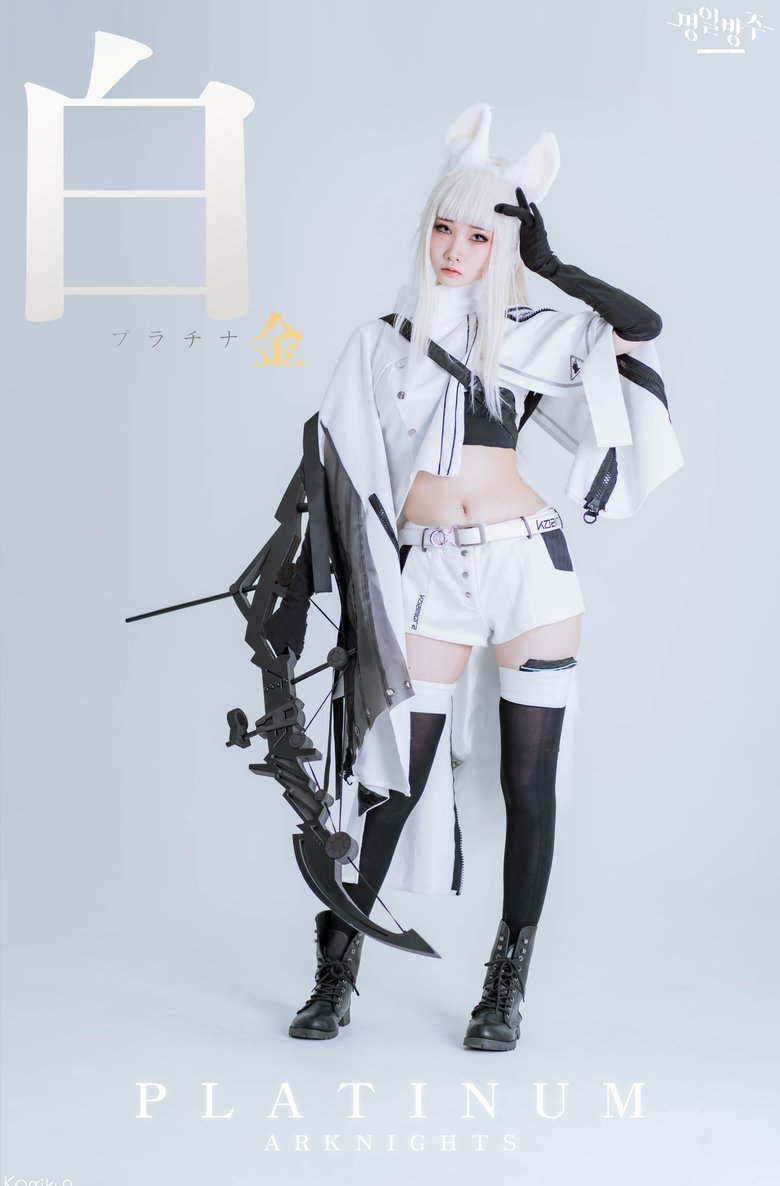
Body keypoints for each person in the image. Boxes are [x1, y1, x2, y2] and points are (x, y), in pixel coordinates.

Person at [265, 102, 683, 1051]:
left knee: (532, 788)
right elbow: (339, 476)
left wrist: (552, 263)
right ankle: (337, 970)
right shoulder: (378, 342)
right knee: (390, 778)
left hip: (530, 572)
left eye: (481, 236)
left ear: (506, 246)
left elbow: (642, 327)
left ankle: (505, 988)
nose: (457, 250)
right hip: (429, 580)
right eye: (445, 229)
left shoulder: (530, 333)